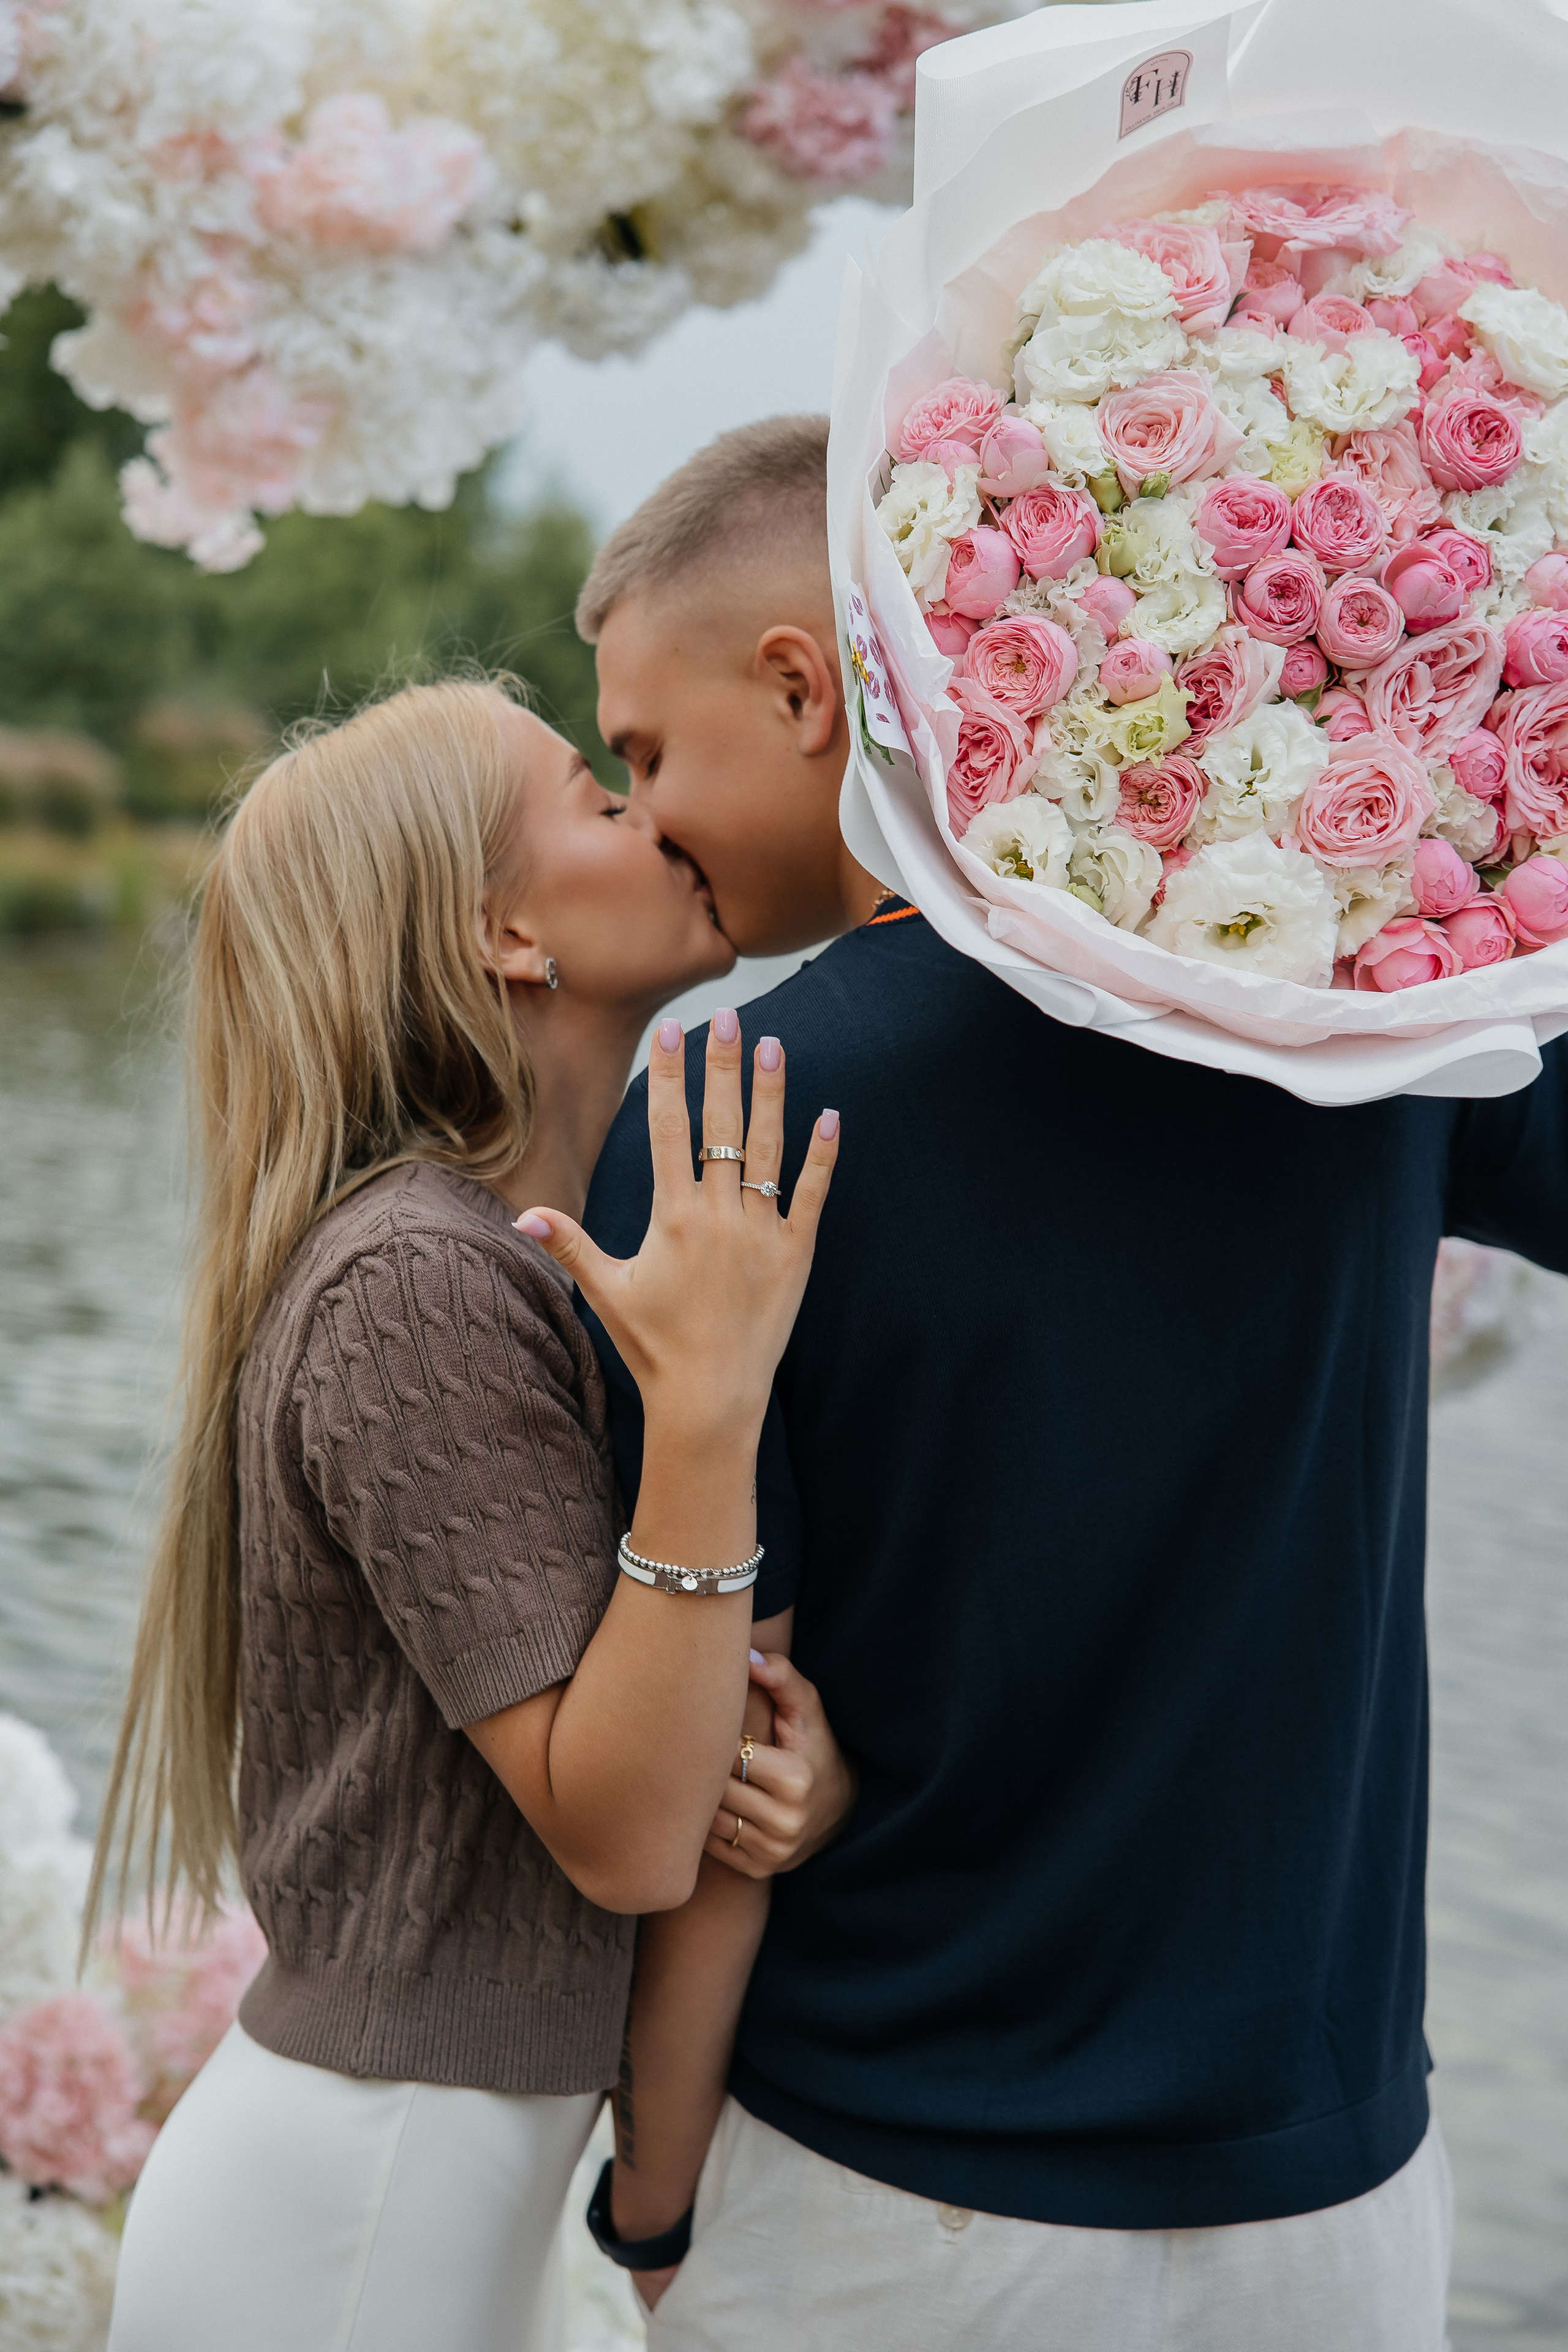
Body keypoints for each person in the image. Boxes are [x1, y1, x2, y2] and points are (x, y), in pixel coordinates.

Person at [576, 417, 1568, 2351]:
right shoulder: (1341, 1013)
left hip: (890, 2181)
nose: (643, 814)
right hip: (1331, 2191)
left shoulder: (722, 1120)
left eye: (642, 751)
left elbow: (714, 1755)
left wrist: (654, 2197)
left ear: (799, 690)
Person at [95, 676, 848, 2352]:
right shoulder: (417, 1286)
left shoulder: (496, 1259)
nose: (657, 821)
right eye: (598, 799)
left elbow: (638, 1745)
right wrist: (713, 1406)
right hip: (362, 2215)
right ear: (506, 932)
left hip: (425, 2187)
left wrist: (793, 1776)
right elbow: (628, 1833)